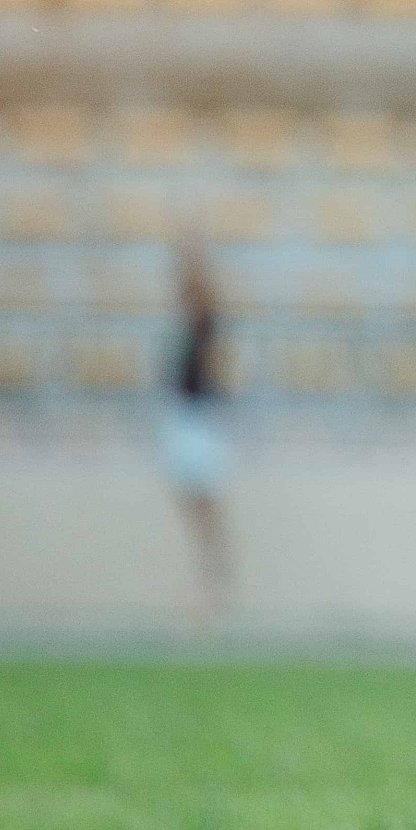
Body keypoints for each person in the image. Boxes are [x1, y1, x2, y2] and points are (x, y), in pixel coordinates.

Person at [162, 240, 232, 617]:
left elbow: (217, 369)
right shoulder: (187, 324)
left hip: (200, 418)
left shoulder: (208, 321)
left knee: (205, 504)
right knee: (193, 503)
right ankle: (207, 580)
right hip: (186, 416)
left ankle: (213, 584)